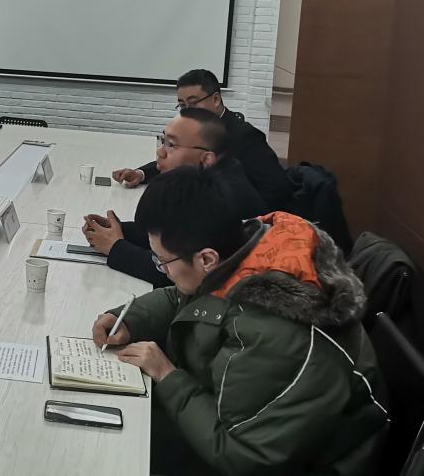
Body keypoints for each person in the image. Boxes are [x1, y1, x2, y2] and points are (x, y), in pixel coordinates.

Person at [91, 167, 387, 476]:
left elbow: (245, 457)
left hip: (289, 463)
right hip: (239, 421)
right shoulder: (246, 249)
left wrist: (167, 375)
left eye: (162, 261)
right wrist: (130, 319)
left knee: (112, 448)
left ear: (206, 259)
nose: (161, 269)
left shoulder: (274, 332)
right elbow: (185, 298)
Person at [83, 109, 266, 287]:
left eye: (171, 145)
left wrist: (116, 247)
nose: (160, 152)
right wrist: (118, 230)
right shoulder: (207, 178)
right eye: (163, 141)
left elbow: (177, 274)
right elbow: (173, 238)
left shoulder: (224, 195)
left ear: (206, 159)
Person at [112, 68, 293, 211]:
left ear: (216, 99)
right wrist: (141, 174)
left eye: (193, 103)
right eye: (182, 105)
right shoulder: (195, 128)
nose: (188, 110)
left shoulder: (245, 136)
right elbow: (183, 158)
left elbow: (277, 189)